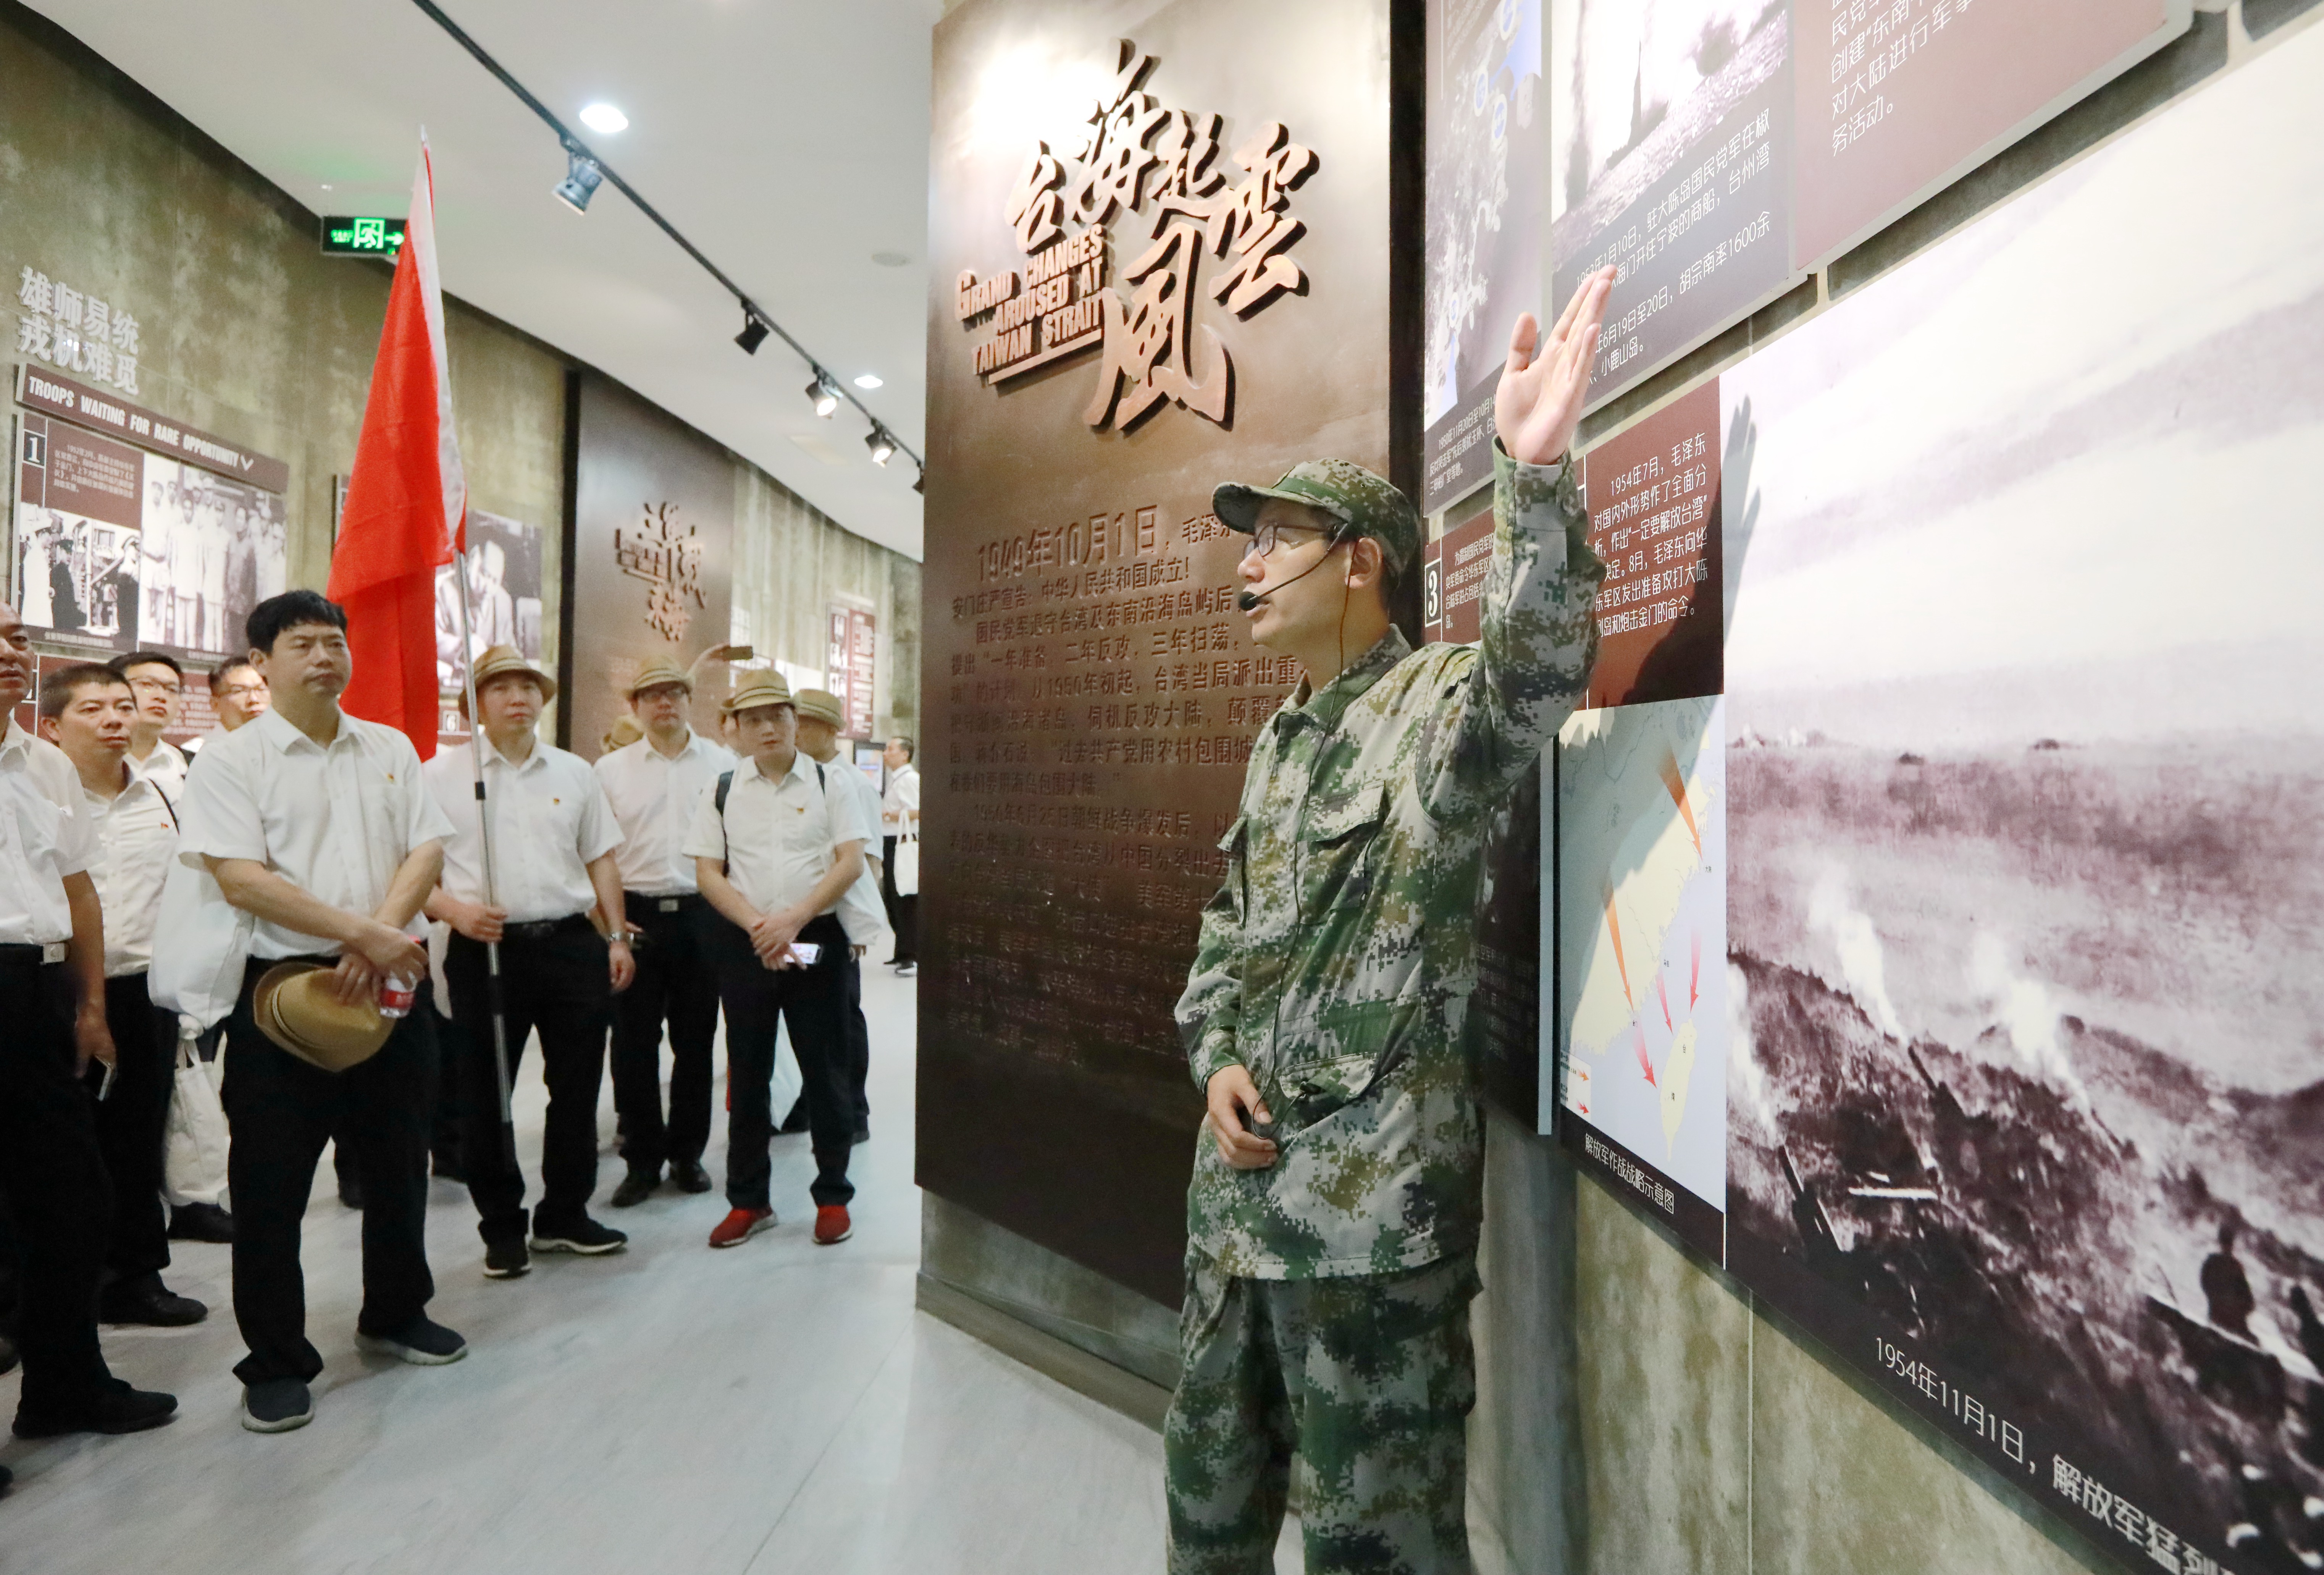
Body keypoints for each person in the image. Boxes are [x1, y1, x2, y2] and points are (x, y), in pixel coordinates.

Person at [1164, 274, 1615, 1574]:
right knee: (1205, 1519)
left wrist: (1534, 476)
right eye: (1246, 542)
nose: (1246, 565)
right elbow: (1226, 933)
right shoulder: (1281, 739)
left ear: (1357, 559)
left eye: (1275, 539)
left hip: (1365, 1245)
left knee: (1379, 1548)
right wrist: (1215, 1056)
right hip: (1234, 1221)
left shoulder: (1429, 709)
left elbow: (1533, 667)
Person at [170, 589, 467, 1434]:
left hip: (388, 981)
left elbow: (427, 846)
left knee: (398, 1162)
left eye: (335, 641)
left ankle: (397, 1311)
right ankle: (275, 1360)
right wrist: (362, 933)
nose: (325, 656)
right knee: (271, 1187)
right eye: (303, 643)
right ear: (261, 662)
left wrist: (377, 938)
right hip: (282, 995)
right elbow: (240, 876)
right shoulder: (232, 759)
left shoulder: (387, 746)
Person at [0, 602, 178, 1458]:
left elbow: (77, 891)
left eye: (16, 637)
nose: (11, 651)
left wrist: (93, 1005)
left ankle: (64, 1386)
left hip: (39, 992)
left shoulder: (43, 765)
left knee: (73, 1197)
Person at [423, 645, 634, 1277]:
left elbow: (600, 858)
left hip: (571, 944)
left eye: (528, 686)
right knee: (487, 1092)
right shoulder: (439, 776)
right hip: (485, 949)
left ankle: (565, 1214)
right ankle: (502, 1226)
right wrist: (454, 911)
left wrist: (616, 936)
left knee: (576, 1088)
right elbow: (407, 871)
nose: (518, 697)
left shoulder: (574, 772)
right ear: (474, 704)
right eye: (500, 687)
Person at [36, 664, 208, 1328]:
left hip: (144, 989)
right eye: (94, 708)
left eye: (123, 705)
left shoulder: (166, 793)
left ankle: (134, 1277)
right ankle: (43, 1293)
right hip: (57, 988)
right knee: (52, 1150)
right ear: (52, 725)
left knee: (138, 1139)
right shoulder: (37, 794)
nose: (115, 718)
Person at [684, 671, 866, 1250]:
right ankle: (748, 1200)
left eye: (778, 716)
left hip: (814, 942)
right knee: (748, 1072)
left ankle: (833, 1195)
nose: (767, 728)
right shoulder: (721, 789)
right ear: (736, 728)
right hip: (749, 943)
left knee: (826, 1068)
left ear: (795, 720)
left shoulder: (830, 782)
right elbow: (707, 872)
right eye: (754, 719)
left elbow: (850, 861)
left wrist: (793, 919)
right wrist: (759, 927)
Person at [595, 657, 735, 1208]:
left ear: (689, 700)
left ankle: (687, 1155)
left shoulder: (723, 765)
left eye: (675, 692)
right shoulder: (610, 771)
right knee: (633, 1045)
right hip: (635, 917)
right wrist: (609, 925)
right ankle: (642, 1160)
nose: (665, 702)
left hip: (703, 914)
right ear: (634, 706)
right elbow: (596, 853)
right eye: (652, 694)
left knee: (696, 1042)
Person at [791, 690, 889, 1142]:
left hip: (838, 923)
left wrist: (858, 925)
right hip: (800, 920)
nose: (795, 731)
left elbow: (868, 861)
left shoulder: (853, 783)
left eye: (806, 723)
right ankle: (809, 1102)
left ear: (831, 730)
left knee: (843, 1013)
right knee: (805, 1010)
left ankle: (854, 1110)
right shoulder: (800, 776)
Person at [110, 650, 190, 798]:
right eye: (147, 685)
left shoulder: (188, 764)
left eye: (172, 690)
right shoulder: (79, 761)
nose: (161, 696)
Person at [878, 735, 919, 975]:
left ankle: (911, 956)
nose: (886, 753)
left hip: (902, 842)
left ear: (905, 754)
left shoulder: (909, 780)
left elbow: (919, 810)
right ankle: (902, 951)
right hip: (892, 841)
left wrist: (888, 815)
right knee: (894, 897)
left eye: (891, 749)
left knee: (904, 897)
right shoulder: (897, 779)